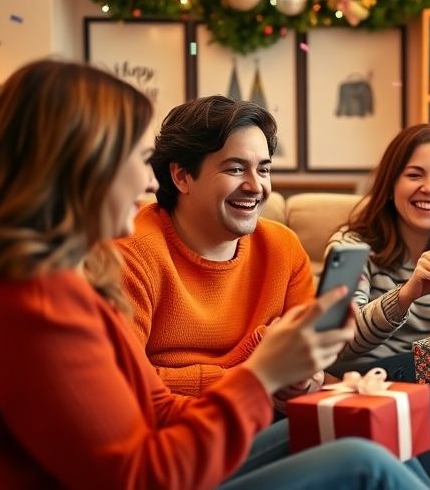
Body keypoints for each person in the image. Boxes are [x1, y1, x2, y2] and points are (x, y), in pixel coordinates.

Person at [0, 60, 430, 489]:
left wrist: (293, 373)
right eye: (139, 159)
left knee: (368, 431)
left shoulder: (71, 281)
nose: (148, 182)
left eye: (263, 168)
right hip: (162, 473)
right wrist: (259, 375)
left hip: (182, 450)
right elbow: (143, 477)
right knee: (362, 462)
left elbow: (157, 407)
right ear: (81, 167)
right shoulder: (38, 306)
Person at [114, 95, 318, 400]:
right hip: (177, 430)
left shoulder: (283, 247)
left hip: (267, 415)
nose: (255, 186)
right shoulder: (133, 255)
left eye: (263, 170)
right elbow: (125, 382)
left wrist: (304, 377)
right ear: (182, 176)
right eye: (235, 169)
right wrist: (253, 376)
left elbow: (308, 359)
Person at [325, 123, 430, 487]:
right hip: (365, 379)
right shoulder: (350, 246)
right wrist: (406, 294)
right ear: (391, 182)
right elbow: (338, 341)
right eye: (415, 174)